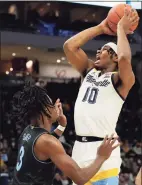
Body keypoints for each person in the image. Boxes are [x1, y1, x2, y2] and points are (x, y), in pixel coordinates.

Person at [63, 7, 139, 185]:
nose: (97, 52)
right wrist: (101, 27)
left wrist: (121, 29)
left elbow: (125, 59)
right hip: (80, 150)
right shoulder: (88, 72)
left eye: (103, 49)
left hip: (103, 151)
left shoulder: (120, 80)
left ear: (114, 57)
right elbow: (69, 46)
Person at [11, 85, 120, 185]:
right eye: (51, 103)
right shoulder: (47, 142)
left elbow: (44, 146)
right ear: (45, 109)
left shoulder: (28, 131)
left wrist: (62, 126)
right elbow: (80, 178)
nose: (55, 106)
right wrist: (101, 156)